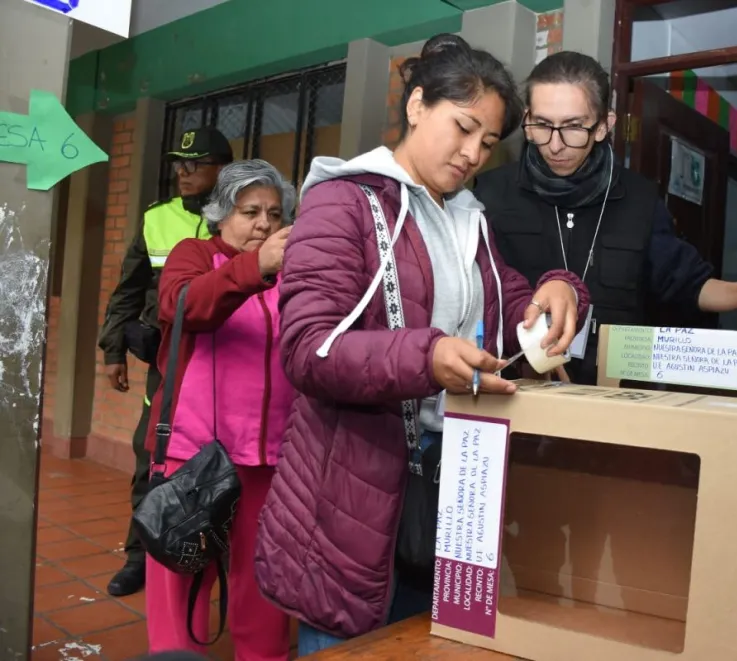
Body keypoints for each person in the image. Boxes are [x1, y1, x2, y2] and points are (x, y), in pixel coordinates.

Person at [253, 34, 589, 655]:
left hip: (451, 479)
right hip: (353, 482)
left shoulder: (468, 219)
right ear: (416, 106)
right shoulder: (342, 203)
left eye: (488, 142)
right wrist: (426, 357)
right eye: (463, 128)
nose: (472, 154)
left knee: (425, 641)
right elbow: (307, 348)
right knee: (349, 640)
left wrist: (560, 289)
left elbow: (510, 305)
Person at [473, 52, 737, 385]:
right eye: (543, 125)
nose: (555, 145)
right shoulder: (488, 193)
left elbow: (688, 284)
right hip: (515, 388)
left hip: (613, 393)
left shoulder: (640, 200)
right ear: (527, 121)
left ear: (604, 126)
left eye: (574, 127)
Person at [145, 159, 295, 659]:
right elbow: (182, 304)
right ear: (221, 215)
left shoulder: (290, 274)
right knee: (183, 573)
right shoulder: (194, 254)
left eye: (274, 214)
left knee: (263, 577)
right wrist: (254, 268)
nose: (264, 224)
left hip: (269, 455)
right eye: (250, 212)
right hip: (195, 454)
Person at [97, 127, 234, 597]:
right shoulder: (157, 218)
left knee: (227, 459)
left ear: (223, 168)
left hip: (229, 360)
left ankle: (219, 554)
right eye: (179, 163)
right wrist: (113, 349)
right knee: (151, 453)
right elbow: (128, 289)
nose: (183, 172)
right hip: (169, 364)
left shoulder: (243, 215)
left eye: (195, 163)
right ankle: (141, 555)